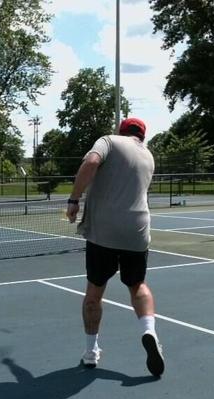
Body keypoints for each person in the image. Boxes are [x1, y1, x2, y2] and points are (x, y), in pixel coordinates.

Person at [65, 117, 164, 377]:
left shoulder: (109, 142)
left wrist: (74, 198)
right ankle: (149, 331)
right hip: (138, 231)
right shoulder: (148, 156)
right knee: (137, 285)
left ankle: (91, 351)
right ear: (142, 136)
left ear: (121, 131)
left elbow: (92, 162)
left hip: (104, 232)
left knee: (94, 292)